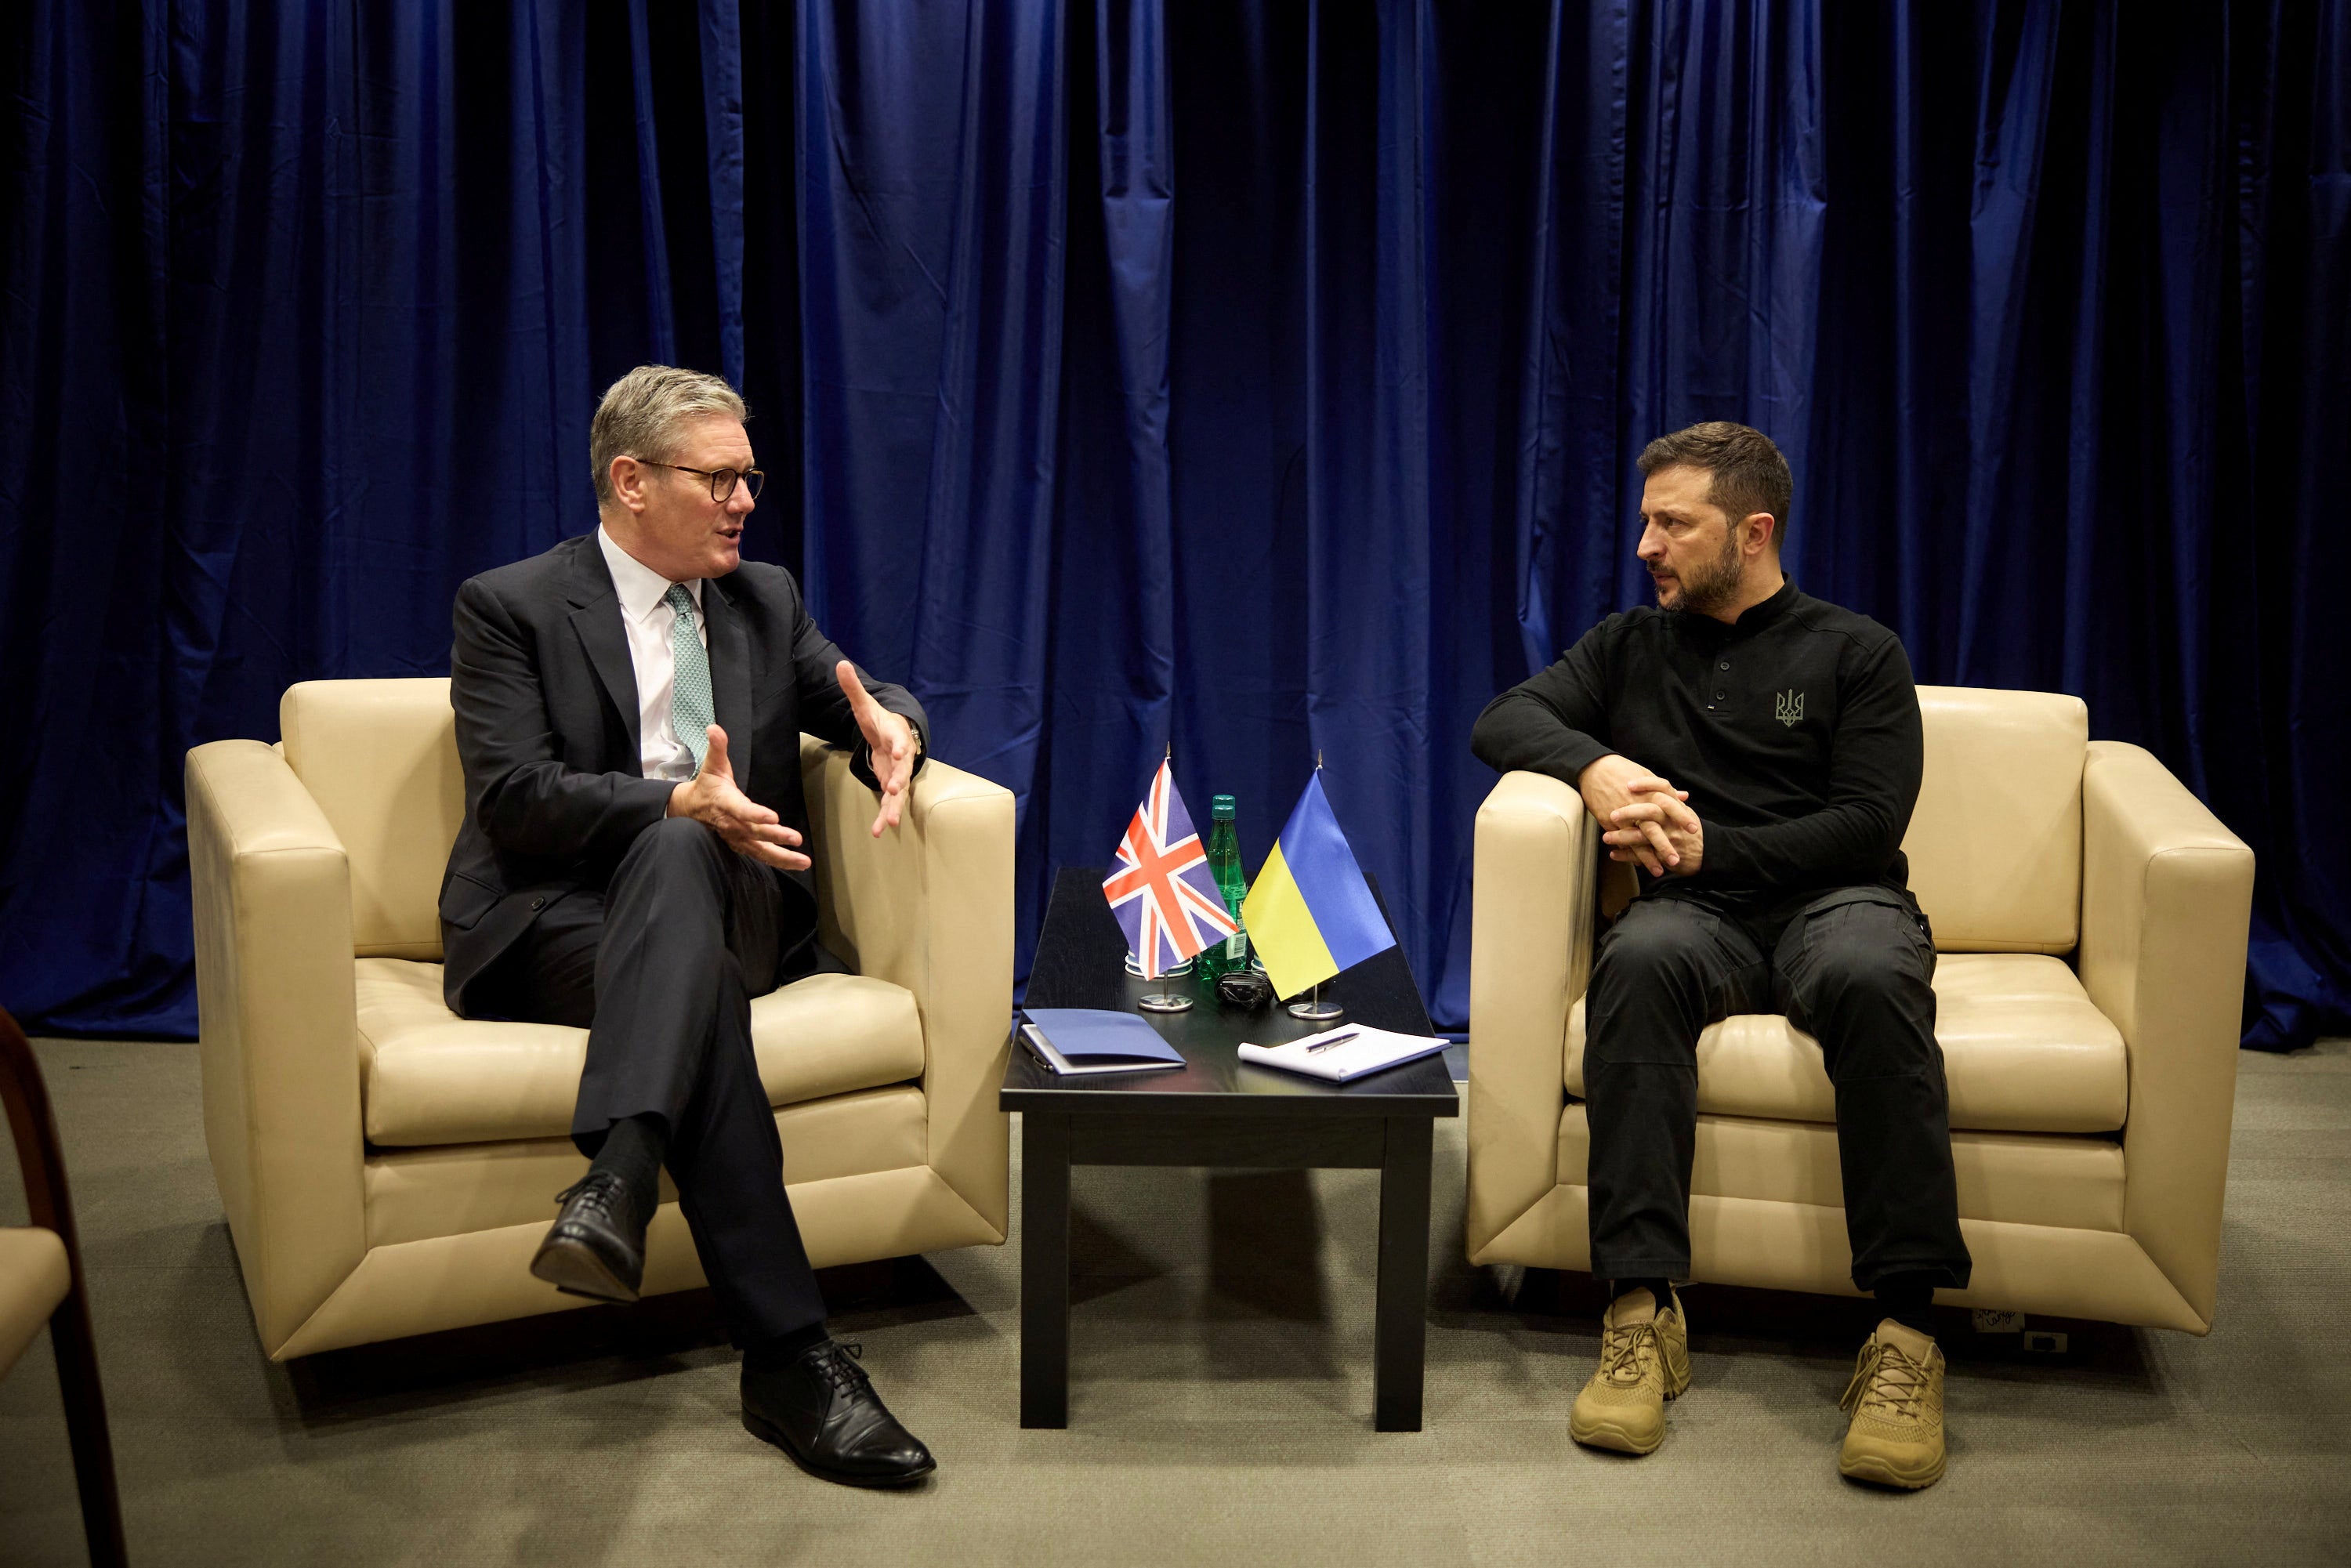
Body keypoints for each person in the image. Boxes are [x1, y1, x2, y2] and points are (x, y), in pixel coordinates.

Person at [439, 364, 936, 1488]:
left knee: (684, 861)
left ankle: (619, 1170)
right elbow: (514, 793)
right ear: (630, 481)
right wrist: (674, 799)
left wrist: (895, 727)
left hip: (736, 898)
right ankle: (791, 1359)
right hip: (553, 918)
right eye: (720, 478)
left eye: (748, 476)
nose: (746, 500)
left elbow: (855, 697)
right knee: (681, 884)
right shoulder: (510, 605)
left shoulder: (762, 597)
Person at [1471, 422, 1969, 1490]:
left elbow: (1870, 819)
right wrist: (1598, 766)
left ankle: (1906, 1331)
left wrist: (1718, 844)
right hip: (1693, 914)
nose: (1647, 543)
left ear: (1751, 531)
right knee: (1636, 961)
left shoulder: (1857, 651)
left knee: (1876, 977)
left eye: (1672, 523)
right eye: (1646, 520)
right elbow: (1505, 717)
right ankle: (1642, 1306)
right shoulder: (1629, 645)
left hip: (1837, 899)